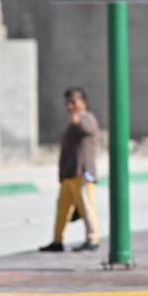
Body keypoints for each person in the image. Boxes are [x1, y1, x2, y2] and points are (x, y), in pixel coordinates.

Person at [39, 87, 100, 252]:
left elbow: (87, 128)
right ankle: (57, 241)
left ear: (83, 103)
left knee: (86, 206)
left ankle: (93, 239)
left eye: (73, 102)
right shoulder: (72, 122)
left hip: (83, 173)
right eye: (67, 102)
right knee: (62, 210)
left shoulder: (87, 118)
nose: (69, 106)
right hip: (69, 174)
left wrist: (78, 119)